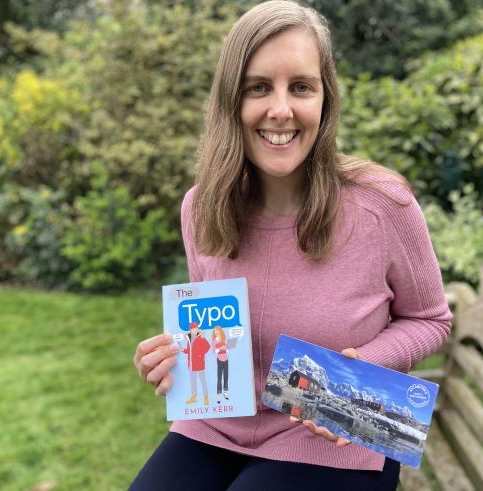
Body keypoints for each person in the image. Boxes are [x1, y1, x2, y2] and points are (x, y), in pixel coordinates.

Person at [131, 1, 451, 489]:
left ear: (326, 99)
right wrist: (175, 357)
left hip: (339, 425)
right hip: (222, 422)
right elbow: (215, 329)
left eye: (300, 87)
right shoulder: (201, 207)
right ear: (230, 102)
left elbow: (430, 320)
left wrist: (357, 369)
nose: (280, 110)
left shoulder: (383, 204)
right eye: (258, 87)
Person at [182, 321, 211, 405]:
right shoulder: (189, 339)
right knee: (193, 381)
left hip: (199, 363)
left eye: (195, 329)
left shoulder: (201, 337)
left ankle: (206, 397)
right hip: (191, 364)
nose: (194, 330)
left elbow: (207, 347)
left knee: (202, 380)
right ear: (190, 330)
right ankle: (194, 397)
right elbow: (188, 350)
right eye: (192, 329)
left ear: (197, 329)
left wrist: (200, 354)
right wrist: (183, 350)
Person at [211, 326, 230, 404]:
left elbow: (227, 349)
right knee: (219, 378)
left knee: (226, 377)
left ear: (220, 331)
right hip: (219, 359)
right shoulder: (214, 341)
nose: (217, 333)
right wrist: (220, 348)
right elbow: (214, 351)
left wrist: (225, 348)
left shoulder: (224, 339)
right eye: (215, 332)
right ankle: (219, 397)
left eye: (218, 331)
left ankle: (226, 394)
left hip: (226, 359)